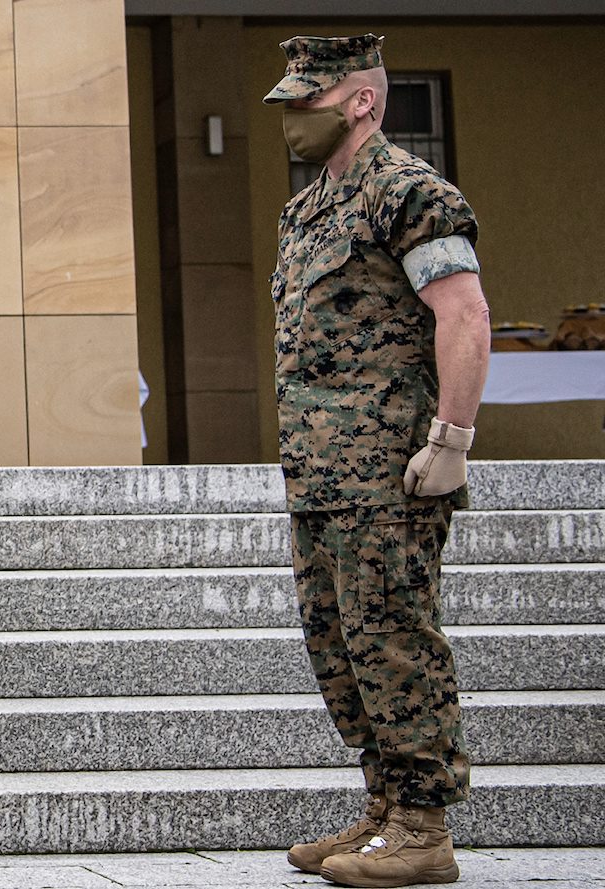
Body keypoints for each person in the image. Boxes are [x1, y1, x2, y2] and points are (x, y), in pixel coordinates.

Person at [264, 34, 490, 889]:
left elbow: (463, 315)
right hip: (320, 474)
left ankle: (425, 828)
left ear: (360, 100)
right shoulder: (307, 208)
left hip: (390, 471)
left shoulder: (410, 193)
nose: (292, 119)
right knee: (340, 646)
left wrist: (451, 440)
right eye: (286, 104)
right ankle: (385, 807)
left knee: (393, 639)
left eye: (307, 103)